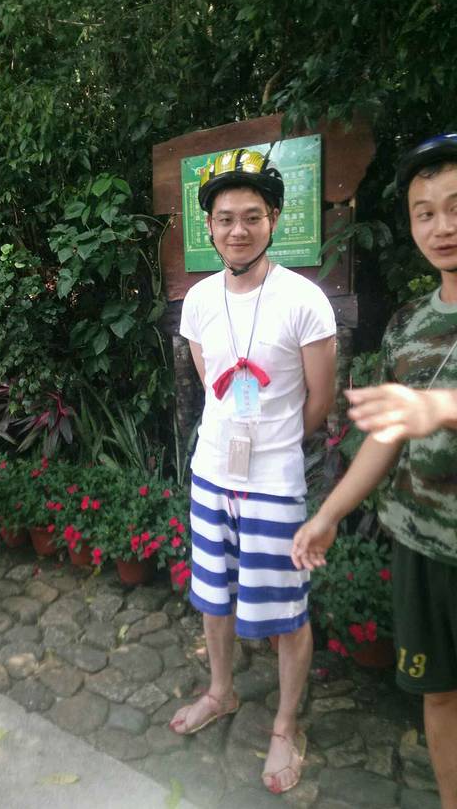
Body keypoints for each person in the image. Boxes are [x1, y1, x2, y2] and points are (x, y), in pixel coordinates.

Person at [291, 133, 457, 809]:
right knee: (439, 694)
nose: (442, 226)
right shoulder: (410, 322)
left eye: (456, 207)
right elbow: (386, 437)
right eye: (426, 212)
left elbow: (422, 411)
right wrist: (328, 515)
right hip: (424, 548)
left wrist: (438, 407)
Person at [170, 148, 337, 795]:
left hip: (273, 482)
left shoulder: (304, 300)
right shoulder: (198, 300)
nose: (237, 230)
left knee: (287, 611)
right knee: (214, 596)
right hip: (211, 472)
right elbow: (209, 379)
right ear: (209, 227)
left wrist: (274, 444)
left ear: (273, 220)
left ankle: (285, 726)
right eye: (224, 218)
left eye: (251, 216)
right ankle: (222, 690)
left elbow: (319, 400)